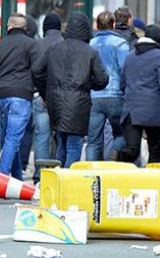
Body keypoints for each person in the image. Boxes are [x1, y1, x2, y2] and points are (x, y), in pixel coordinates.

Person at [32, 12, 109, 168]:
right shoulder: (90, 52)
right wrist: (88, 84)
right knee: (74, 145)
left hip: (55, 101)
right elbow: (102, 79)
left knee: (62, 142)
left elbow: (36, 70)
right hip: (78, 103)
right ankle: (66, 181)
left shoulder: (54, 48)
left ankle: (59, 177)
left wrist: (45, 90)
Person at [110, 25, 160, 164]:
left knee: (132, 150)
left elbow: (122, 84)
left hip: (131, 110)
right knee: (155, 151)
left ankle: (118, 155)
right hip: (153, 110)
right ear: (159, 40)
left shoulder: (130, 57)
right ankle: (153, 182)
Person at [0, 13, 38, 181]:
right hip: (21, 94)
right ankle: (0, 178)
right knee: (13, 138)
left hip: (1, 96)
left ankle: (16, 178)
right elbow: (37, 70)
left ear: (9, 27)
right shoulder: (31, 45)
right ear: (25, 28)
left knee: (10, 137)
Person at [87, 11, 129, 163]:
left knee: (93, 140)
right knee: (122, 134)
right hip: (115, 94)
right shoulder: (120, 44)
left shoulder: (90, 45)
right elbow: (125, 70)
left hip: (94, 96)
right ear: (113, 25)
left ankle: (90, 175)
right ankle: (114, 153)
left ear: (97, 26)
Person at [29, 13, 63, 183]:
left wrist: (43, 93)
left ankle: (39, 176)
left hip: (39, 97)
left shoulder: (36, 45)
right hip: (61, 97)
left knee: (41, 136)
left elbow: (35, 71)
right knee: (60, 135)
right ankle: (56, 172)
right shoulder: (65, 44)